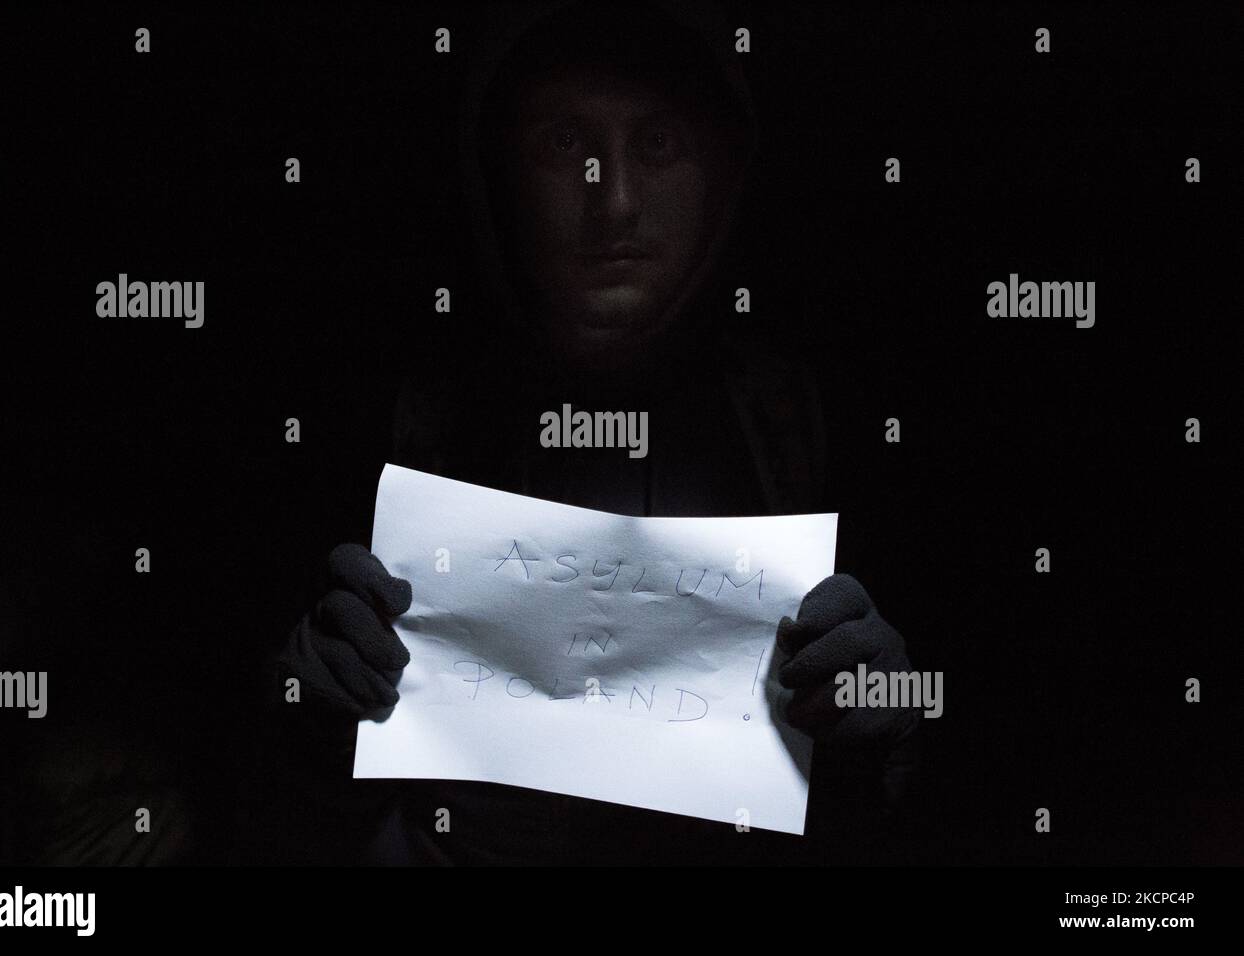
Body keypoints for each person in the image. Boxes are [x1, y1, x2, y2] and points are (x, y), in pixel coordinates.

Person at [269, 1, 922, 864]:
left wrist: (887, 719)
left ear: (727, 173)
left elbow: (967, 770)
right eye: (560, 146)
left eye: (656, 148)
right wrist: (307, 706)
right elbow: (240, 781)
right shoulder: (384, 415)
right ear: (494, 168)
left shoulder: (811, 416)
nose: (611, 202)